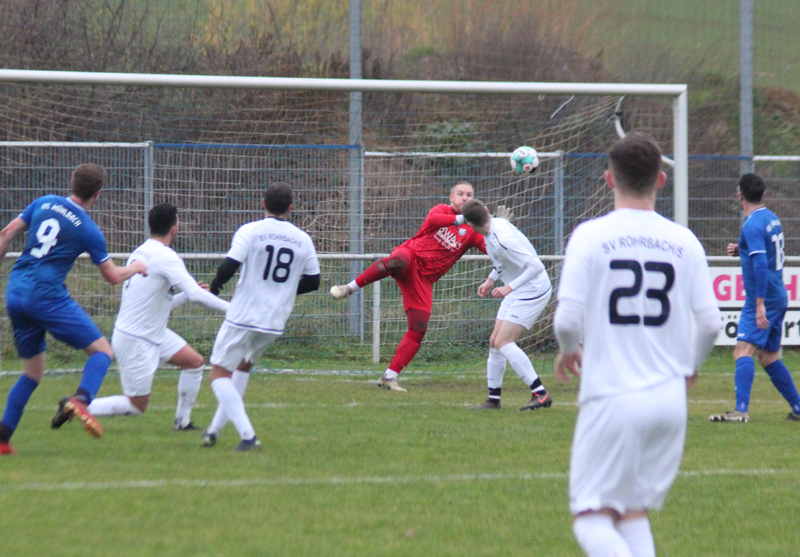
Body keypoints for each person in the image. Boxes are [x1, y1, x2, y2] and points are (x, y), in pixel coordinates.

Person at [553, 132, 721, 557]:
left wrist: (569, 348)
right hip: (669, 403)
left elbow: (567, 319)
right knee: (631, 511)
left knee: (591, 516)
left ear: (609, 180)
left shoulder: (590, 236)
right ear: (661, 180)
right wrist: (689, 365)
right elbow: (710, 323)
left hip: (613, 394)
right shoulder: (685, 242)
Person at [0, 163, 147, 455]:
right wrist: (135, 268)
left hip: (16, 292)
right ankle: (81, 400)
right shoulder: (88, 229)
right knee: (103, 352)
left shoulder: (44, 202)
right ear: (98, 193)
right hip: (46, 297)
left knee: (32, 372)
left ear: (72, 183)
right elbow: (111, 277)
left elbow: (6, 233)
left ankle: (2, 439)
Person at [329, 181, 490, 392]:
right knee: (397, 261)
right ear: (451, 198)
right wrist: (464, 218)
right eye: (460, 194)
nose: (465, 198)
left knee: (419, 327)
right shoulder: (442, 210)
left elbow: (492, 250)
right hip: (411, 256)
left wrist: (497, 230)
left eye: (470, 195)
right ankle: (349, 288)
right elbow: (434, 220)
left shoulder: (473, 232)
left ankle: (389, 377)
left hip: (423, 281)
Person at [85, 203, 229, 430]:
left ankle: (182, 422)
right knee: (136, 406)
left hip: (151, 331)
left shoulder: (140, 250)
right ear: (174, 229)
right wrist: (231, 310)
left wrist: (190, 295)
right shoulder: (166, 257)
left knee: (194, 362)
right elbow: (195, 293)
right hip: (137, 337)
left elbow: (160, 302)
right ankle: (82, 407)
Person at [201, 182, 320, 451]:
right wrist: (286, 290)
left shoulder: (251, 231)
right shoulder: (303, 239)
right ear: (291, 208)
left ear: (262, 203)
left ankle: (248, 436)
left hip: (244, 315)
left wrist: (217, 286)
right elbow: (314, 281)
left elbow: (230, 265)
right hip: (274, 321)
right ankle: (213, 431)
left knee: (218, 375)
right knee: (242, 367)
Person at [709, 173, 800, 423]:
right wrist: (741, 250)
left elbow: (761, 263)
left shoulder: (752, 224)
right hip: (778, 293)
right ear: (763, 194)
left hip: (765, 297)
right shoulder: (771, 219)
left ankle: (740, 411)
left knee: (742, 351)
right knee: (768, 356)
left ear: (740, 195)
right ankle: (799, 408)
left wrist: (759, 304)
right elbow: (765, 253)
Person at [460, 199, 553, 411]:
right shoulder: (494, 228)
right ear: (486, 211)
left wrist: (508, 288)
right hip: (518, 288)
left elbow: (536, 266)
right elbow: (502, 262)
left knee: (504, 342)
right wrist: (491, 280)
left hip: (532, 289)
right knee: (495, 342)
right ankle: (493, 400)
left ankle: (540, 394)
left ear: (470, 226)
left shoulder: (502, 238)